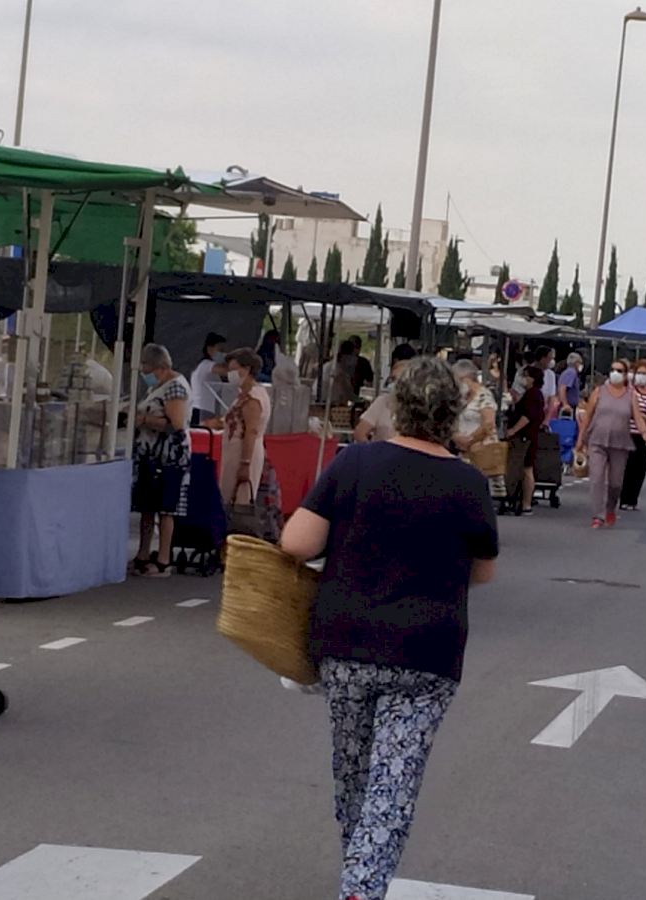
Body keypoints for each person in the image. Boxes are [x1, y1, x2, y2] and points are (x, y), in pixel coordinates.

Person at [279, 356, 498, 900]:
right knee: (394, 780)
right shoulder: (469, 483)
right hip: (427, 653)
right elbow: (483, 572)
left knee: (354, 774)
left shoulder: (356, 462)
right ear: (453, 414)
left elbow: (297, 543)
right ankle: (361, 886)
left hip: (347, 644)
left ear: (397, 408)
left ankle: (359, 878)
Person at [131, 344, 191, 577]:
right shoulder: (157, 386)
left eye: (148, 369)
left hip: (168, 457)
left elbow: (176, 424)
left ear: (161, 367)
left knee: (166, 508)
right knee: (147, 507)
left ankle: (164, 559)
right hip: (150, 455)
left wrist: (144, 420)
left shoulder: (175, 388)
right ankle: (143, 554)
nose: (146, 374)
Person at [576, 359, 646, 528]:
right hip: (597, 440)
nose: (615, 373)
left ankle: (610, 507)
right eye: (612, 370)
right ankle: (598, 515)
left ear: (625, 375)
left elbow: (637, 417)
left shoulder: (630, 395)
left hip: (620, 442)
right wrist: (580, 439)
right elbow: (587, 416)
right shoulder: (599, 392)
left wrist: (644, 433)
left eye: (619, 370)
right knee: (597, 478)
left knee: (615, 483)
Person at [214, 348, 271, 528]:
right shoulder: (242, 396)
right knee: (229, 498)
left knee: (240, 501)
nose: (230, 374)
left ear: (246, 369)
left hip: (244, 455)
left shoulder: (253, 398)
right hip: (233, 454)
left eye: (234, 369)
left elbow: (251, 431)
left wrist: (245, 463)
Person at [503, 365, 545, 515]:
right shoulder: (531, 394)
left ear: (533, 379)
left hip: (526, 436)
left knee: (527, 468)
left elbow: (527, 416)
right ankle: (523, 501)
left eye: (526, 376)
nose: (523, 379)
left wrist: (513, 430)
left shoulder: (533, 394)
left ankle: (526, 503)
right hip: (528, 435)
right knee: (526, 468)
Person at [354, 344, 416, 443]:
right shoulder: (382, 402)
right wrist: (374, 451)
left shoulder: (421, 407)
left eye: (402, 380)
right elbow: (360, 433)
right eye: (394, 379)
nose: (397, 384)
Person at [619, 359, 646, 511]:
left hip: (645, 434)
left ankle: (633, 499)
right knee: (629, 467)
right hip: (631, 432)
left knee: (640, 468)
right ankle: (624, 499)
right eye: (639, 373)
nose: (642, 376)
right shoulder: (630, 390)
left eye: (645, 373)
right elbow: (630, 410)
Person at [189, 332, 227, 426]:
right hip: (200, 410)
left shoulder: (210, 370)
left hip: (208, 410)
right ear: (209, 349)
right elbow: (226, 371)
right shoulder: (205, 365)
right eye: (220, 350)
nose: (223, 354)